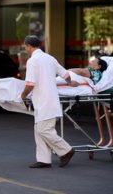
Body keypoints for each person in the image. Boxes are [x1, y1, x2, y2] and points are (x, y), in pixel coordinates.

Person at [19, 35, 76, 168]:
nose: (26, 49)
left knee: (44, 130)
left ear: (29, 46)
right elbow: (66, 74)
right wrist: (70, 83)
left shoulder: (33, 61)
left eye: (25, 46)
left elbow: (30, 84)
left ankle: (66, 150)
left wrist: (22, 96)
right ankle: (44, 159)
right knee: (38, 129)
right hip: (49, 100)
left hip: (43, 101)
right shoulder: (50, 58)